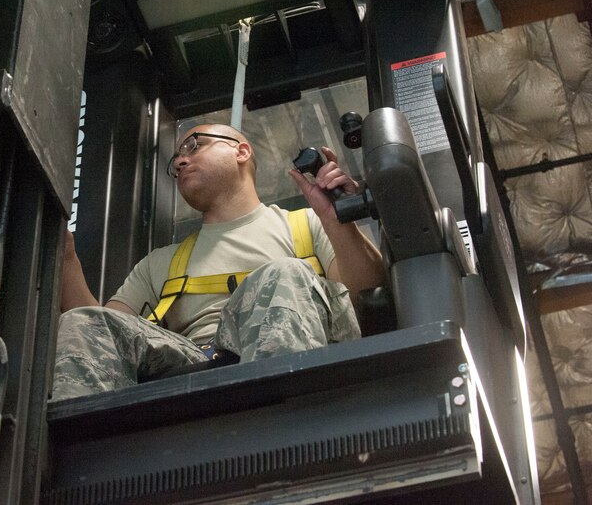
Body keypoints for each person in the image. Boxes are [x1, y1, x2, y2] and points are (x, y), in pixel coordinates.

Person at [52, 123, 385, 400]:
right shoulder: (160, 264)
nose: (181, 161)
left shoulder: (304, 226)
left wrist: (336, 221)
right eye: (177, 159)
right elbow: (100, 337)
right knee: (84, 323)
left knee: (282, 273)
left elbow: (368, 294)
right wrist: (64, 257)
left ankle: (283, 432)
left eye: (194, 146)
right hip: (198, 364)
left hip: (300, 360)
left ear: (241, 151)